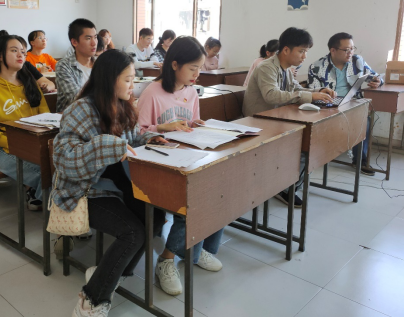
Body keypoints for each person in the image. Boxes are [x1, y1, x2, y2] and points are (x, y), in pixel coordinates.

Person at [52, 50, 167, 317]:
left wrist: (149, 138)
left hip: (116, 186)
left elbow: (132, 139)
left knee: (155, 219)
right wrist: (108, 146)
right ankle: (91, 301)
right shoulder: (80, 110)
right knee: (133, 233)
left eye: (133, 78)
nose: (133, 85)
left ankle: (109, 274)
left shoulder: (123, 104)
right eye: (127, 79)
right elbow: (64, 160)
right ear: (109, 79)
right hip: (84, 191)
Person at [138, 36, 224, 296]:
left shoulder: (191, 91)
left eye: (199, 68)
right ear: (174, 64)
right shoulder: (152, 92)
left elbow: (191, 122)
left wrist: (196, 124)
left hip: (186, 157)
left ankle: (196, 250)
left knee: (219, 189)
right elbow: (137, 133)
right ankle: (166, 260)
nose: (197, 75)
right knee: (191, 201)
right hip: (158, 164)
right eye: (193, 68)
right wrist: (162, 127)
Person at [243, 27, 337, 207]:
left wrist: (319, 91)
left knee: (310, 144)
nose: (304, 56)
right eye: (301, 51)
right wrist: (310, 96)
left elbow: (297, 89)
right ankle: (285, 188)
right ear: (286, 50)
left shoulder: (286, 69)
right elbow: (272, 96)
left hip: (277, 119)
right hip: (260, 123)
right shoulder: (266, 67)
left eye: (306, 52)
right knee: (304, 149)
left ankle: (286, 184)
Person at [0, 35, 50, 209]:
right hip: (8, 150)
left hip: (37, 144)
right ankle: (63, 213)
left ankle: (49, 202)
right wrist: (24, 142)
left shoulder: (30, 83)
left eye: (23, 52)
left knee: (64, 169)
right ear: (0, 55)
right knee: (50, 174)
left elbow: (46, 116)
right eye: (14, 50)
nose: (20, 55)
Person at [308, 32, 382, 176]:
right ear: (333, 50)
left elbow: (375, 76)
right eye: (346, 50)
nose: (350, 53)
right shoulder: (317, 66)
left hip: (353, 104)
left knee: (364, 120)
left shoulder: (357, 61)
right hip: (329, 107)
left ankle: (360, 161)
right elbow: (314, 93)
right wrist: (326, 98)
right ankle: (320, 156)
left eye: (352, 49)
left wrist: (378, 81)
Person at [56, 19, 98, 113]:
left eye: (95, 37)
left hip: (99, 114)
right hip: (74, 117)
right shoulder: (64, 65)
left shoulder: (100, 63)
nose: (94, 43)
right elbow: (76, 98)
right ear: (74, 42)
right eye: (88, 38)